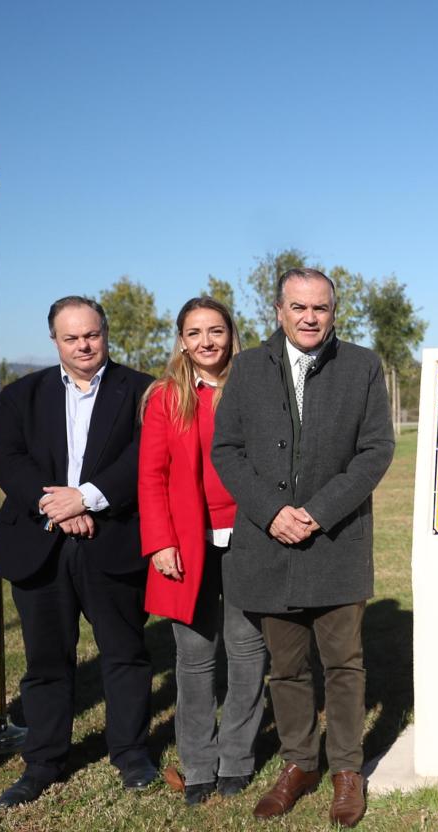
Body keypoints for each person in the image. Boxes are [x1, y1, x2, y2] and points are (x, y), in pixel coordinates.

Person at [212, 268, 395, 828]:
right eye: (299, 307)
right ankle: (299, 763)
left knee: (344, 664)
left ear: (334, 312)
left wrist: (317, 512)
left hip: (335, 541)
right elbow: (227, 451)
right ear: (278, 311)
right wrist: (271, 513)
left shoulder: (362, 366)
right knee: (286, 668)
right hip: (268, 545)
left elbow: (375, 450)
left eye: (320, 308)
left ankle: (345, 770)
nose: (310, 317)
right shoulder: (245, 369)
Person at [0, 296, 158, 807]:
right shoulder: (21, 395)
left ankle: (130, 754)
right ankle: (43, 762)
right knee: (45, 661)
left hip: (113, 540)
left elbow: (145, 455)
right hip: (39, 543)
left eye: (92, 335)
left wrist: (87, 497)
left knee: (126, 654)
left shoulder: (142, 391)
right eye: (71, 337)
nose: (84, 345)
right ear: (54, 341)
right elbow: (5, 458)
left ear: (105, 333)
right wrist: (59, 504)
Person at [138, 297, 267, 805]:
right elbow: (151, 476)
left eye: (216, 331)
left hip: (250, 534)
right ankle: (197, 765)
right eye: (195, 333)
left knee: (247, 648)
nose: (206, 342)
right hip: (186, 541)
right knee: (193, 658)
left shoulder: (256, 388)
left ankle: (237, 758)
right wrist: (161, 542)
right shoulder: (166, 397)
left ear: (232, 335)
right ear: (182, 340)